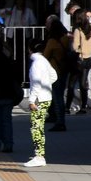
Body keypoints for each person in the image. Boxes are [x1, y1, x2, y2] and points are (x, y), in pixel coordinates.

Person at [26, 39, 58, 167]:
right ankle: (39, 154)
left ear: (30, 49)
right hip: (46, 97)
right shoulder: (44, 61)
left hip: (39, 99)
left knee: (36, 128)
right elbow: (54, 76)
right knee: (39, 127)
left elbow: (36, 83)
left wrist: (31, 100)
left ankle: (39, 156)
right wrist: (47, 85)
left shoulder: (36, 64)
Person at [42, 16, 70, 131]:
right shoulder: (66, 39)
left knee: (57, 98)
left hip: (54, 72)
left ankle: (60, 122)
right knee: (59, 96)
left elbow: (45, 56)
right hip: (64, 70)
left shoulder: (52, 41)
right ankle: (58, 119)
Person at [67, 7, 91, 114]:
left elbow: (74, 46)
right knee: (83, 84)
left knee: (71, 84)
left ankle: (67, 107)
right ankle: (84, 106)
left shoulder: (77, 30)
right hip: (87, 58)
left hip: (78, 58)